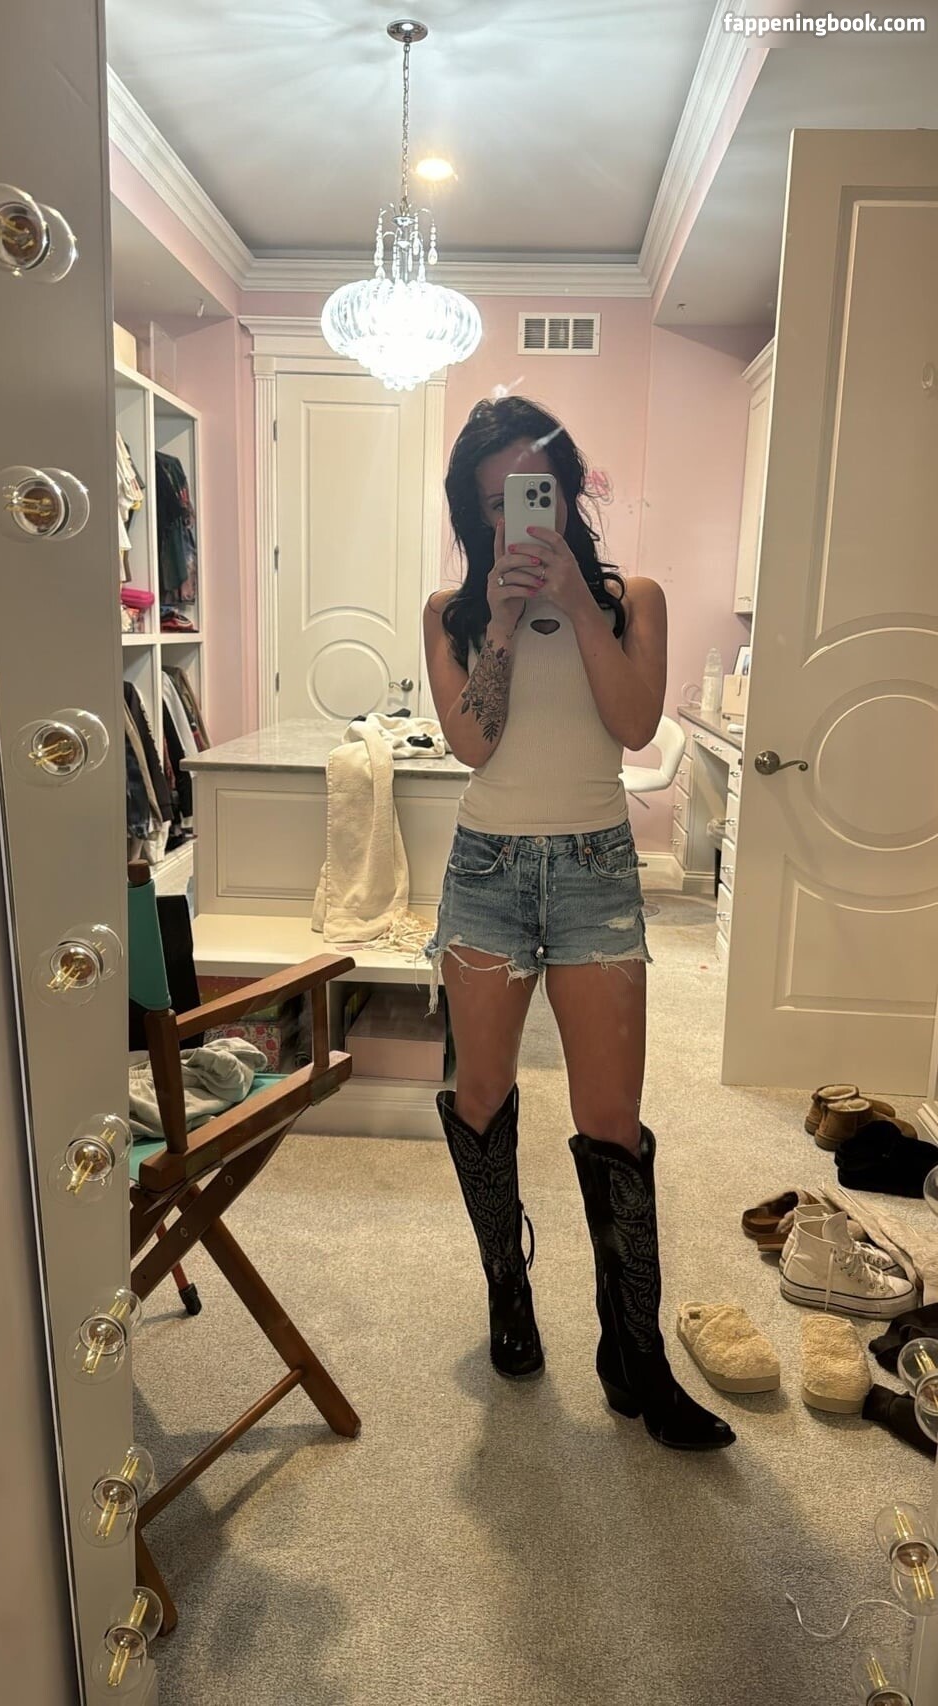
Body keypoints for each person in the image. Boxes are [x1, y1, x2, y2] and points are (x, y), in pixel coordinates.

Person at [421, 396, 734, 1452]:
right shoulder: (452, 613)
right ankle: (508, 1291)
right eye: (495, 499)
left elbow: (636, 723)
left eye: (534, 488)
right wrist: (506, 621)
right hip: (488, 873)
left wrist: (574, 606)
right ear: (475, 511)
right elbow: (474, 743)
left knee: (612, 1116)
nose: (519, 512)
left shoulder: (630, 597)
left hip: (597, 870)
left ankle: (632, 1350)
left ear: (566, 486)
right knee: (480, 1094)